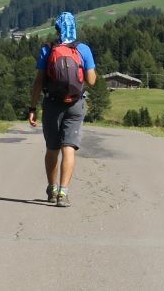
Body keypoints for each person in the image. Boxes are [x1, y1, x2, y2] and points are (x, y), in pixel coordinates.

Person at [27, 12, 97, 207]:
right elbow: (92, 81)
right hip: (75, 104)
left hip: (52, 104)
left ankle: (52, 189)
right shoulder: (83, 49)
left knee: (52, 148)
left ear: (57, 30)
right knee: (69, 148)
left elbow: (38, 82)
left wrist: (32, 107)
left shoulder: (48, 49)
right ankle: (63, 193)